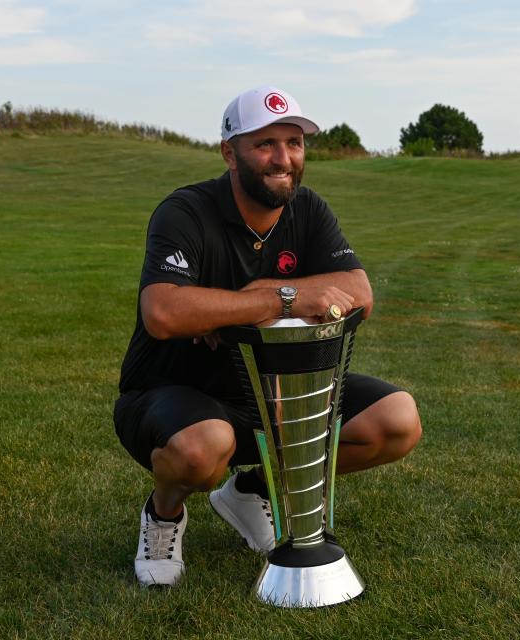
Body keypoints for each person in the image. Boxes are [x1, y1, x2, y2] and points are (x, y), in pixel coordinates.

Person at [113, 86, 422, 587]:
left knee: (397, 421)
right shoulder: (186, 211)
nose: (284, 159)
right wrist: (277, 302)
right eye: (266, 145)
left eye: (294, 143)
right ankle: (164, 516)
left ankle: (250, 488)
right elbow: (164, 312)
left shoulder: (309, 211)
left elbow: (359, 293)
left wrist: (253, 294)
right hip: (173, 389)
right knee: (203, 447)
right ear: (229, 152)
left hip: (275, 393)